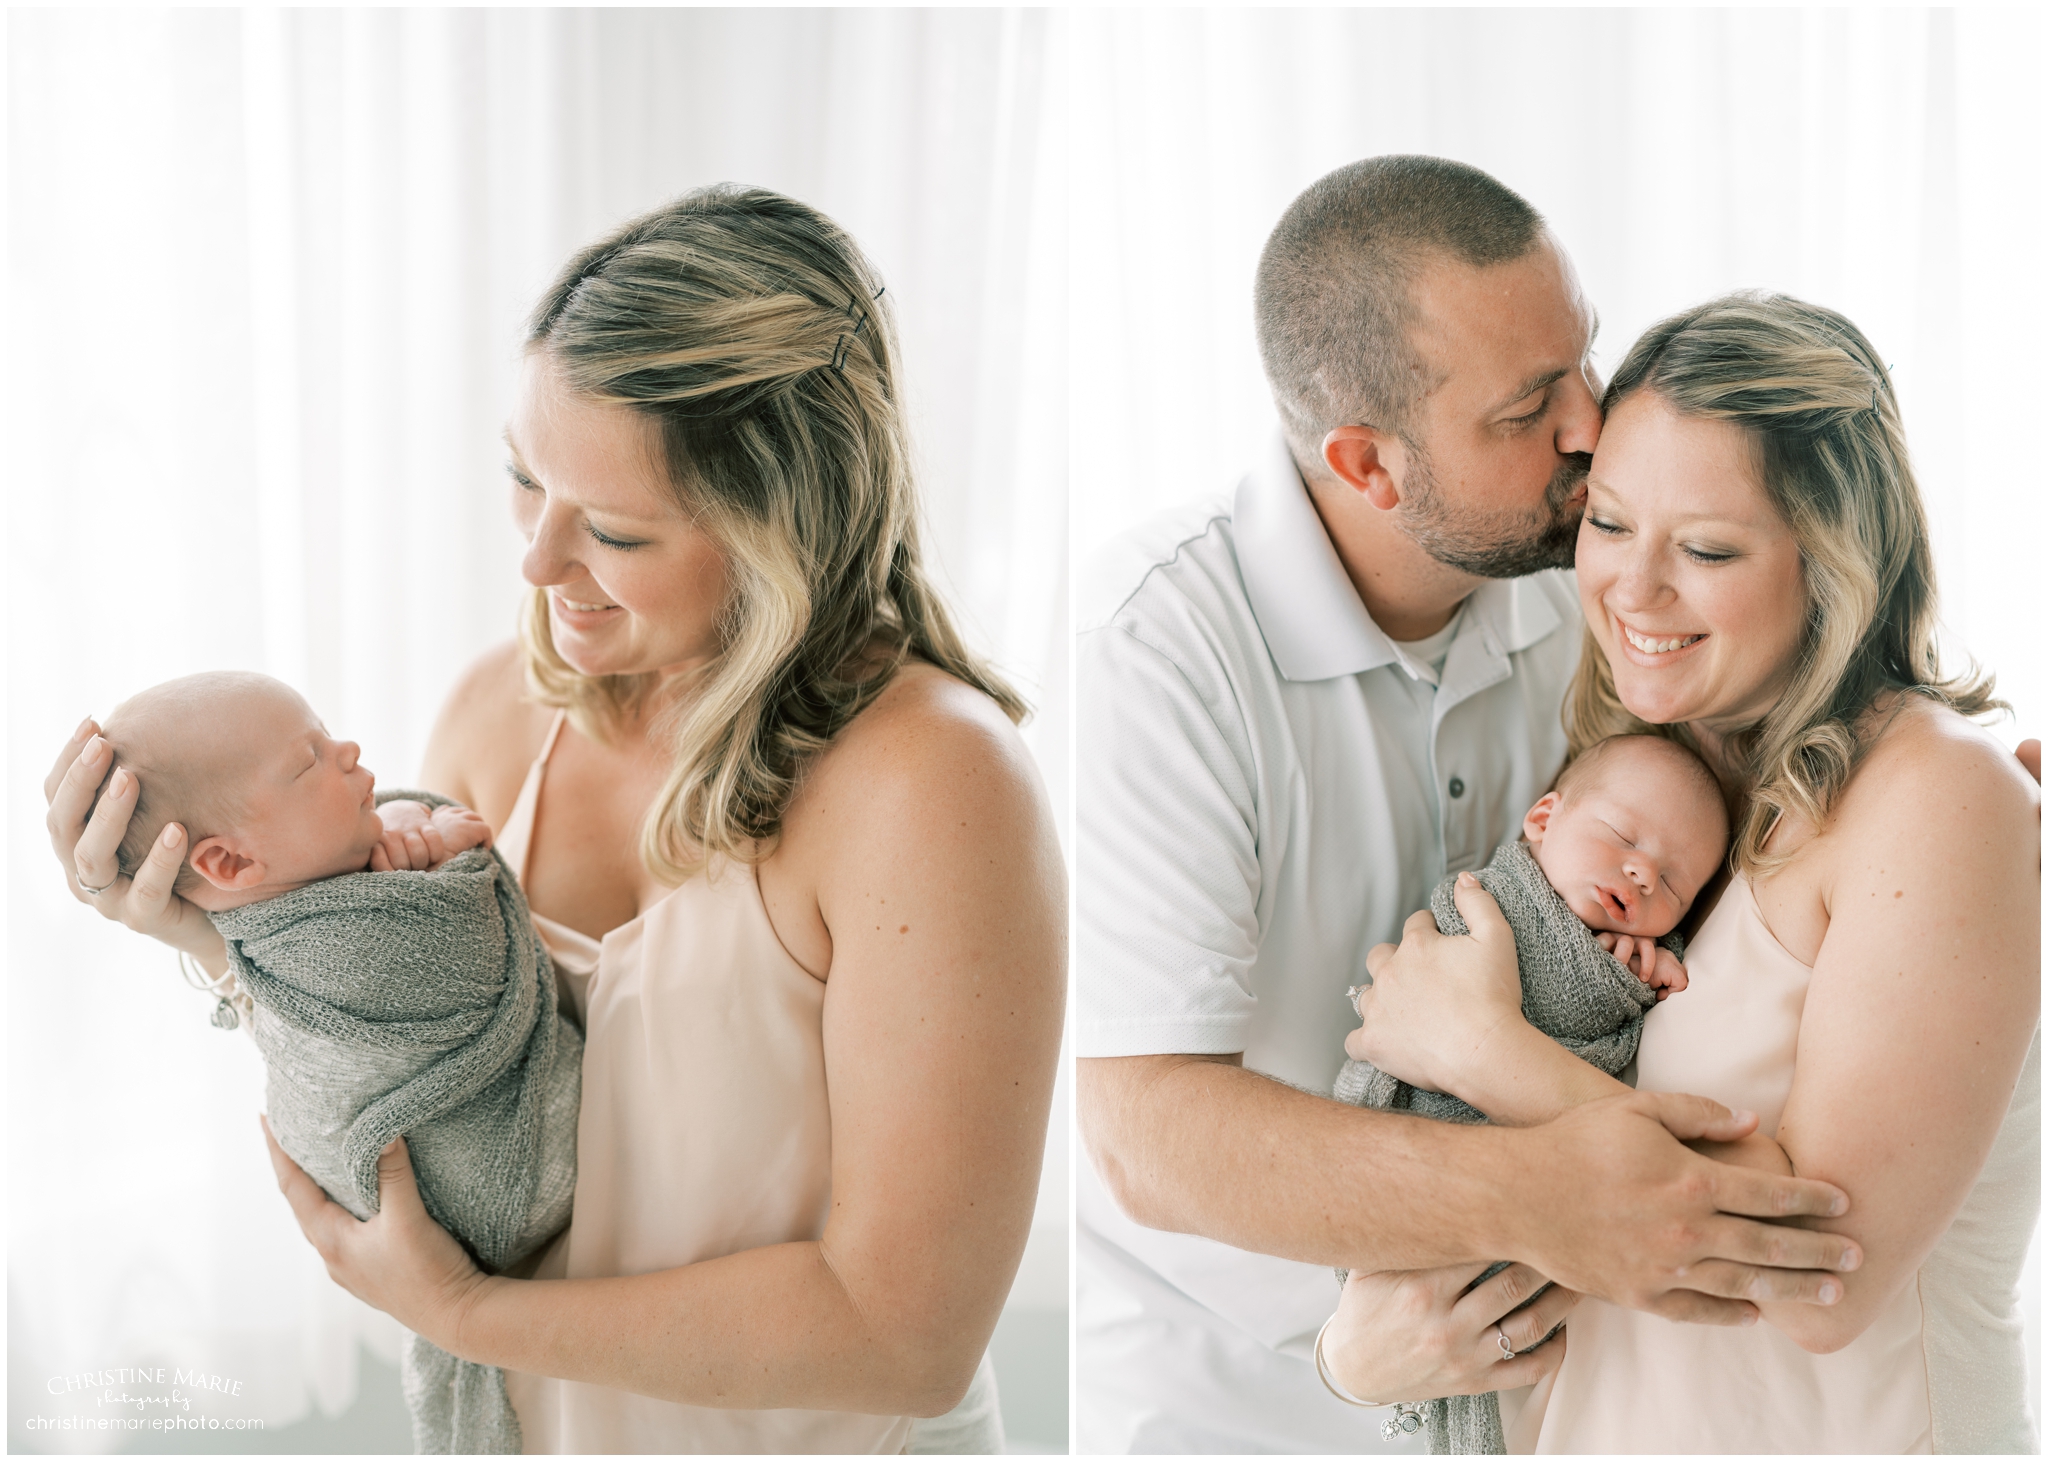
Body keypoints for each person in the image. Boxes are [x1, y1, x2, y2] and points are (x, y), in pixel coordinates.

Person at [46, 186, 1066, 1454]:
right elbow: (442, 1074)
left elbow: (904, 1338)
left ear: (781, 528)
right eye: (526, 480)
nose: (536, 559)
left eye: (616, 529)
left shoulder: (932, 783)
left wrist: (472, 1315)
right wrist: (219, 939)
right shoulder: (498, 710)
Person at [1075, 155, 1858, 1454]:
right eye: (1526, 408)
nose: (1590, 427)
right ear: (1365, 464)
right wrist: (1541, 1196)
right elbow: (1151, 1131)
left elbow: (1767, 765)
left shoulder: (1585, 578)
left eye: (1584, 360)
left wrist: (1942, 795)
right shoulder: (1157, 647)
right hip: (1230, 1407)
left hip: (1543, 1391)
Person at [1328, 292, 2039, 1452]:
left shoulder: (1937, 794)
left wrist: (1483, 1050)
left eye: (1705, 548)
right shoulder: (1648, 776)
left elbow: (1823, 1277)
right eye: (1606, 524)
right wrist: (1358, 1355)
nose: (1630, 589)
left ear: (1836, 560)